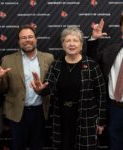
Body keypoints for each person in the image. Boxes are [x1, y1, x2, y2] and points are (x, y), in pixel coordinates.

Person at [31, 26, 107, 150]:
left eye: (75, 40)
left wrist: (101, 121)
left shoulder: (92, 65)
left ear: (81, 45)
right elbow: (47, 88)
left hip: (86, 117)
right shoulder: (56, 65)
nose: (71, 44)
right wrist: (39, 89)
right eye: (67, 40)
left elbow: (101, 94)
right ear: (63, 44)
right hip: (61, 116)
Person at [0, 25, 54, 150]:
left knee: (38, 146)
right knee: (17, 146)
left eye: (30, 37)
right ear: (19, 41)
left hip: (40, 112)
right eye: (23, 38)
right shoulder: (7, 60)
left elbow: (52, 85)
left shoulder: (48, 58)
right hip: (17, 113)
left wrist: (43, 89)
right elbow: (2, 89)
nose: (27, 40)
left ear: (36, 39)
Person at [87, 14, 123, 150]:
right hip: (115, 110)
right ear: (121, 28)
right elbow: (91, 63)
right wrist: (94, 39)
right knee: (115, 144)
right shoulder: (111, 50)